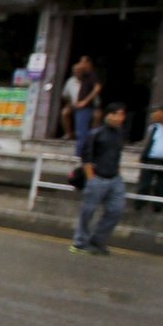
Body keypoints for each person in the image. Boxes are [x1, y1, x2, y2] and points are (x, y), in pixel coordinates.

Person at [71, 101, 129, 256]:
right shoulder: (96, 134)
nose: (118, 118)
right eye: (115, 114)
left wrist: (118, 175)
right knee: (88, 211)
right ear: (107, 115)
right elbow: (86, 158)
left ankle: (98, 240)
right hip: (98, 178)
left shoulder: (120, 134)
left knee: (116, 210)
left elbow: (116, 156)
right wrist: (91, 178)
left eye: (121, 115)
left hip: (115, 178)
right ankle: (80, 242)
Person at [65, 56, 102, 162]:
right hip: (81, 107)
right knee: (82, 133)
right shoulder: (84, 75)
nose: (81, 64)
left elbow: (97, 88)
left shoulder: (92, 75)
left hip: (86, 108)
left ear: (88, 63)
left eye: (83, 62)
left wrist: (85, 101)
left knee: (82, 133)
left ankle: (79, 157)